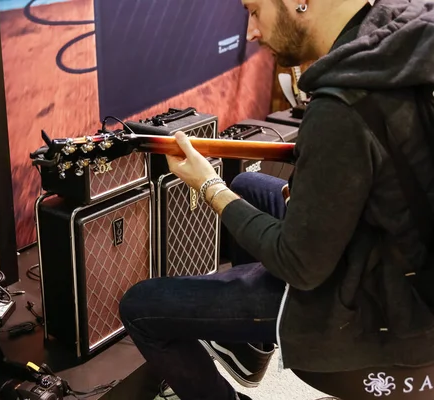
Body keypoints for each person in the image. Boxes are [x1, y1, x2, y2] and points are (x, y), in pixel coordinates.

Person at [118, 0, 434, 398]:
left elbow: (299, 265)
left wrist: (208, 185)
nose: (251, 31)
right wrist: (316, 186)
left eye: (254, 10)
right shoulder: (403, 38)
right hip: (403, 253)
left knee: (140, 307)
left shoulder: (341, 107)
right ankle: (251, 349)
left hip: (378, 307)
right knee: (251, 188)